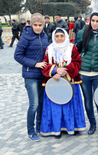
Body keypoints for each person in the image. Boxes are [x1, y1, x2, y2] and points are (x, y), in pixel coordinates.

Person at [40, 28, 86, 138]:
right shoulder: (49, 49)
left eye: (61, 36)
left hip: (70, 81)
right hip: (53, 81)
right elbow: (45, 64)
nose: (59, 38)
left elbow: (77, 62)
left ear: (65, 37)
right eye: (57, 36)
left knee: (69, 104)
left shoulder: (72, 48)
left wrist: (62, 72)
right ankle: (56, 129)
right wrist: (54, 72)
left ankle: (71, 127)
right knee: (55, 104)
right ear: (53, 37)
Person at [14, 13, 49, 141]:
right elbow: (18, 56)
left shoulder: (45, 36)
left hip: (43, 75)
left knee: (41, 103)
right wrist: (35, 64)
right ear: (31, 24)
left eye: (40, 25)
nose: (38, 27)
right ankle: (31, 131)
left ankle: (39, 127)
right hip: (30, 76)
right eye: (35, 25)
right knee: (34, 104)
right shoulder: (25, 36)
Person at [76, 11, 98, 135]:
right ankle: (92, 124)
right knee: (88, 100)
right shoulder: (82, 33)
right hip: (84, 72)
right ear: (89, 20)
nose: (95, 23)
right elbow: (76, 50)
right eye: (93, 21)